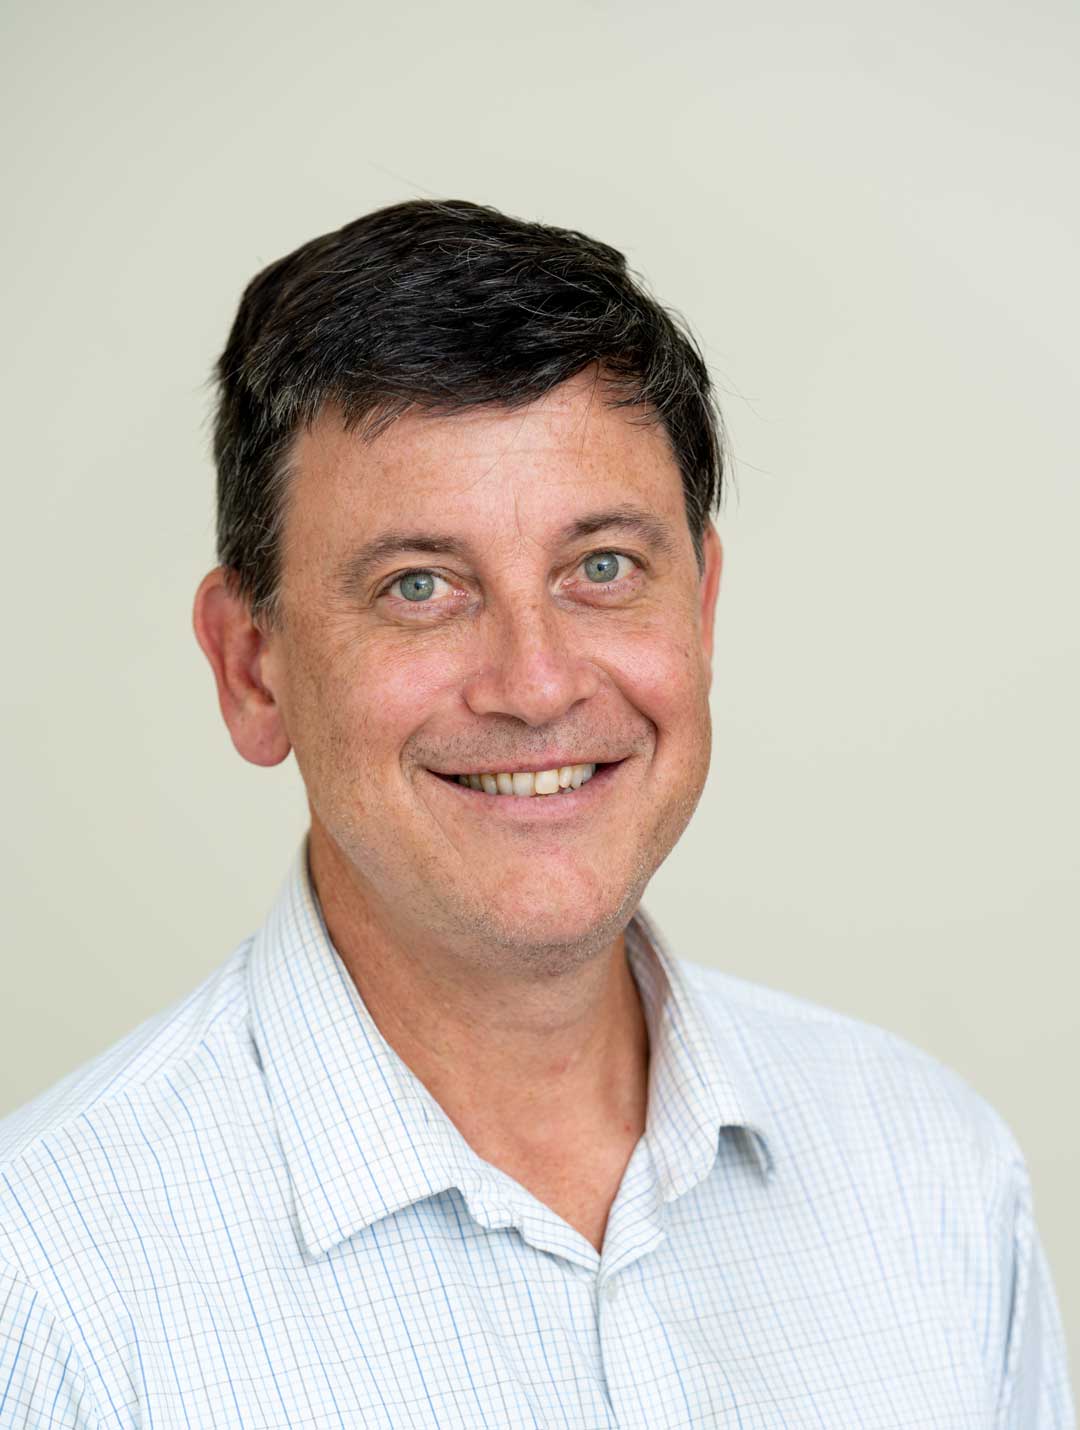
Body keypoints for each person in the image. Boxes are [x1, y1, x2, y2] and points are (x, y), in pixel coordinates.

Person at [0, 199, 1072, 1429]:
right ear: (252, 666)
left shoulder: (936, 1172)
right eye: (420, 585)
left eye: (602, 567)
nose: (538, 681)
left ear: (703, 607)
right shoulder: (45, 1284)